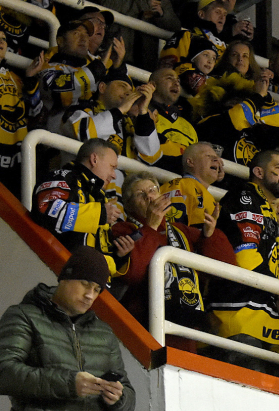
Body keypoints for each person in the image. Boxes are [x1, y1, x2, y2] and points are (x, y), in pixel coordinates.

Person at [0, 247, 135, 411]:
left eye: (97, 290)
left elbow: (127, 401)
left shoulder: (104, 333)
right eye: (85, 284)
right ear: (65, 277)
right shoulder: (24, 316)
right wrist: (69, 383)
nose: (90, 295)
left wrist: (118, 398)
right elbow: (5, 372)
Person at [111, 171, 235, 329]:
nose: (149, 197)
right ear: (129, 206)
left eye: (152, 190)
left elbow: (227, 266)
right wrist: (151, 227)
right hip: (144, 323)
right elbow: (134, 274)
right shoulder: (122, 229)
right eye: (140, 194)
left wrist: (209, 235)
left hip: (189, 320)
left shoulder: (181, 230)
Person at [208, 149, 279, 370]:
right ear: (258, 172)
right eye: (278, 167)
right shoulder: (245, 197)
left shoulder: (265, 207)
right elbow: (245, 255)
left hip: (261, 318)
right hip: (239, 315)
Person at [31, 138, 127, 274]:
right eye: (112, 167)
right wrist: (100, 214)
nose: (114, 175)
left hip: (91, 280)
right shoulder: (63, 177)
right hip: (59, 273)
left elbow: (97, 251)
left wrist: (119, 256)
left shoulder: (100, 197)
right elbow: (47, 210)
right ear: (94, 159)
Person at [62, 67, 162, 167]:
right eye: (122, 86)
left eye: (131, 91)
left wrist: (143, 112)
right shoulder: (81, 107)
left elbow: (151, 155)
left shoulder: (129, 122)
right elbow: (83, 132)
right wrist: (121, 110)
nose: (128, 93)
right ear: (102, 87)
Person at [0, 31, 43, 197]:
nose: (1, 42)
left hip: (14, 161)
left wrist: (30, 78)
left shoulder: (17, 78)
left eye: (4, 39)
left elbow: (35, 112)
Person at [159, 142, 222, 230]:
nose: (216, 160)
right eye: (209, 156)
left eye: (216, 157)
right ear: (190, 162)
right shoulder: (179, 185)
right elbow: (172, 230)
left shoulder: (210, 198)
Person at [148, 67, 198, 173]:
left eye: (178, 81)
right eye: (169, 78)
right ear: (153, 85)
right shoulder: (141, 113)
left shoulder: (188, 126)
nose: (176, 83)